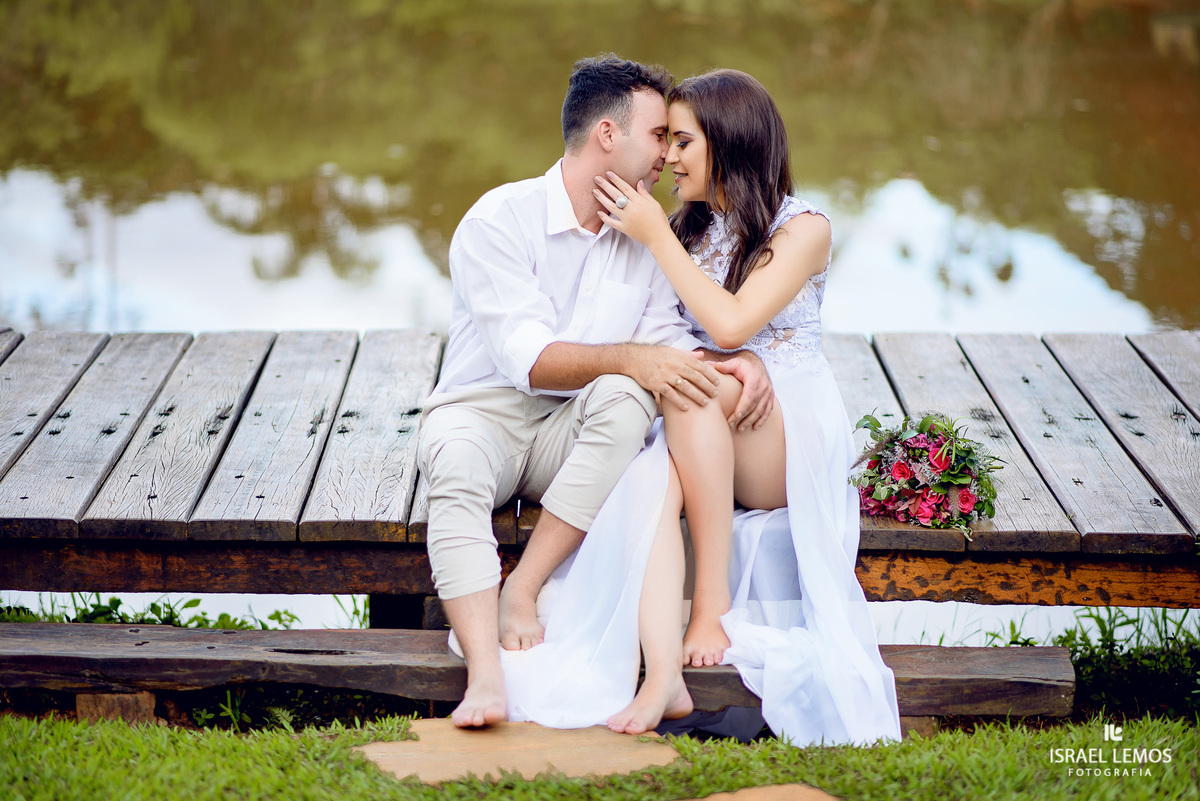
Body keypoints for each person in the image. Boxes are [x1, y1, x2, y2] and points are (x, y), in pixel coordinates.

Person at [504, 68, 901, 746]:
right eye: (664, 139)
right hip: (714, 409)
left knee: (686, 392)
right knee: (653, 457)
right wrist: (728, 363)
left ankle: (710, 602)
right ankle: (662, 672)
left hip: (786, 438)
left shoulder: (803, 228)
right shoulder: (688, 228)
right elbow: (672, 340)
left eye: (682, 141)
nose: (667, 157)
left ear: (727, 142)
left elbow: (728, 323)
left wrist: (657, 241)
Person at [416, 55, 773, 729]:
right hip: (482, 415)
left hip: (570, 435)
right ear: (608, 135)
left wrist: (738, 360)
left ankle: (522, 587)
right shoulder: (500, 219)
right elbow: (530, 361)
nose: (668, 155)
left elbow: (665, 346)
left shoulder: (643, 237)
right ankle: (486, 678)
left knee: (628, 397)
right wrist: (634, 358)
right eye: (659, 135)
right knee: (455, 464)